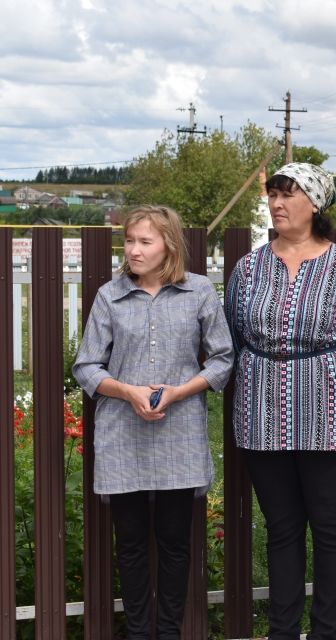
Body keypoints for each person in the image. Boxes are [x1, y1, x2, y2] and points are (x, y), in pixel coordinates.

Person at [224, 162, 336, 640]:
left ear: (314, 204)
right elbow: (231, 335)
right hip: (261, 414)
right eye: (273, 195)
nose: (276, 204)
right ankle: (282, 631)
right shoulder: (249, 267)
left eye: (288, 195)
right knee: (282, 528)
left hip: (330, 417)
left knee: (331, 528)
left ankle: (326, 631)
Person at [73, 205, 234, 639]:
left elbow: (222, 358)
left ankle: (168, 632)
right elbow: (86, 365)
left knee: (175, 543)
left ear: (169, 245)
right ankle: (139, 633)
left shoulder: (199, 292)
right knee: (130, 545)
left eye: (145, 241)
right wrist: (127, 391)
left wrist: (179, 391)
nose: (134, 250)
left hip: (179, 432)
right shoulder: (110, 296)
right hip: (121, 434)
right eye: (129, 241)